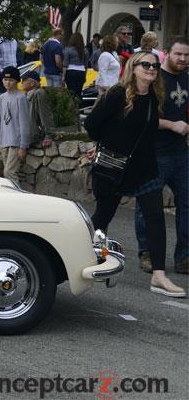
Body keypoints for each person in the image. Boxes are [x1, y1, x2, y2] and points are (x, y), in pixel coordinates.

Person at [84, 51, 184, 297]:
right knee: (103, 217)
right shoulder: (118, 94)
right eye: (146, 65)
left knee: (155, 218)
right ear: (134, 68)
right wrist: (105, 144)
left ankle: (159, 276)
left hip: (144, 169)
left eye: (154, 65)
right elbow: (92, 125)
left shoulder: (153, 95)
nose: (151, 68)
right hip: (113, 167)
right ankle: (83, 258)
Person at [135, 36, 188, 275]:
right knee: (148, 205)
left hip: (181, 153)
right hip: (154, 152)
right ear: (167, 53)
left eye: (187, 55)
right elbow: (143, 116)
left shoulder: (187, 78)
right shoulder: (155, 78)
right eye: (178, 54)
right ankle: (147, 254)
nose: (183, 59)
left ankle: (184, 257)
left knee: (187, 205)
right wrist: (171, 125)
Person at [0, 66, 29, 186]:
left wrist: (23, 146)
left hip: (16, 142)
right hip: (4, 142)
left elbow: (24, 123)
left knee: (10, 172)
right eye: (5, 80)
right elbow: (0, 121)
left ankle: (18, 197)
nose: (8, 83)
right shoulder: (1, 98)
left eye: (11, 80)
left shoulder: (21, 97)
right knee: (5, 173)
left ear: (17, 81)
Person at [22, 70, 54, 149]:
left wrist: (48, 135)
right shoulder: (26, 95)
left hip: (34, 137)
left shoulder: (39, 93)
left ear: (32, 83)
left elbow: (45, 115)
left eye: (24, 80)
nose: (22, 83)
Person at [62, 32, 87, 107]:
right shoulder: (85, 51)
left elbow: (65, 64)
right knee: (78, 92)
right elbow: (86, 65)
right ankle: (78, 108)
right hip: (81, 72)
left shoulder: (68, 50)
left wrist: (63, 76)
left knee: (71, 92)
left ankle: (72, 109)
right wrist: (85, 75)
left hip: (71, 72)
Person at [94, 35, 121, 99]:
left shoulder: (113, 54)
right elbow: (102, 71)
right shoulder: (105, 55)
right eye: (116, 42)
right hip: (106, 87)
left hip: (112, 85)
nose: (117, 44)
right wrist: (105, 86)